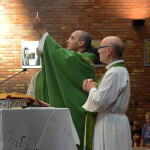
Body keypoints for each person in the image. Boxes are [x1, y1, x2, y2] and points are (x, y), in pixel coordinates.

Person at [30, 17, 96, 150]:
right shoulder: (77, 59)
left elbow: (58, 54)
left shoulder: (82, 60)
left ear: (81, 43)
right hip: (72, 110)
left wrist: (43, 31)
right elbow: (59, 56)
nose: (67, 40)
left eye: (71, 38)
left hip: (77, 111)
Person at [82, 36, 132, 150]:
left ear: (109, 50)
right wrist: (95, 87)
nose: (98, 51)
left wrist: (91, 89)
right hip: (111, 122)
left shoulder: (114, 72)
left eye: (100, 47)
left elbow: (100, 102)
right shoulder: (117, 70)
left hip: (110, 125)